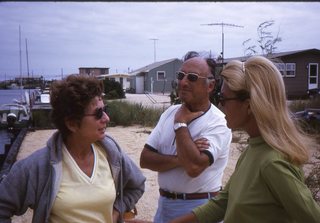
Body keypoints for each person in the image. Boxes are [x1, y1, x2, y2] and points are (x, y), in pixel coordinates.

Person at [170, 56, 320, 223]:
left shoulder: (273, 163)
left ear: (248, 105)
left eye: (223, 99)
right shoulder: (253, 149)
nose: (220, 106)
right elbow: (222, 204)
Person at [0, 75, 146, 223]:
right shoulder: (39, 165)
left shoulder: (111, 153)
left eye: (105, 109)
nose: (107, 118)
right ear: (72, 124)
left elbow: (137, 186)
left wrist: (117, 211)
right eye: (98, 113)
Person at [140, 51, 232, 222]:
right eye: (181, 75)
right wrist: (180, 158)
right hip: (164, 206)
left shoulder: (218, 123)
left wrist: (181, 124)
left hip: (198, 208)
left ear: (210, 86)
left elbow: (193, 168)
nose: (183, 82)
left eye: (192, 77)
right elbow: (145, 159)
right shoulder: (170, 113)